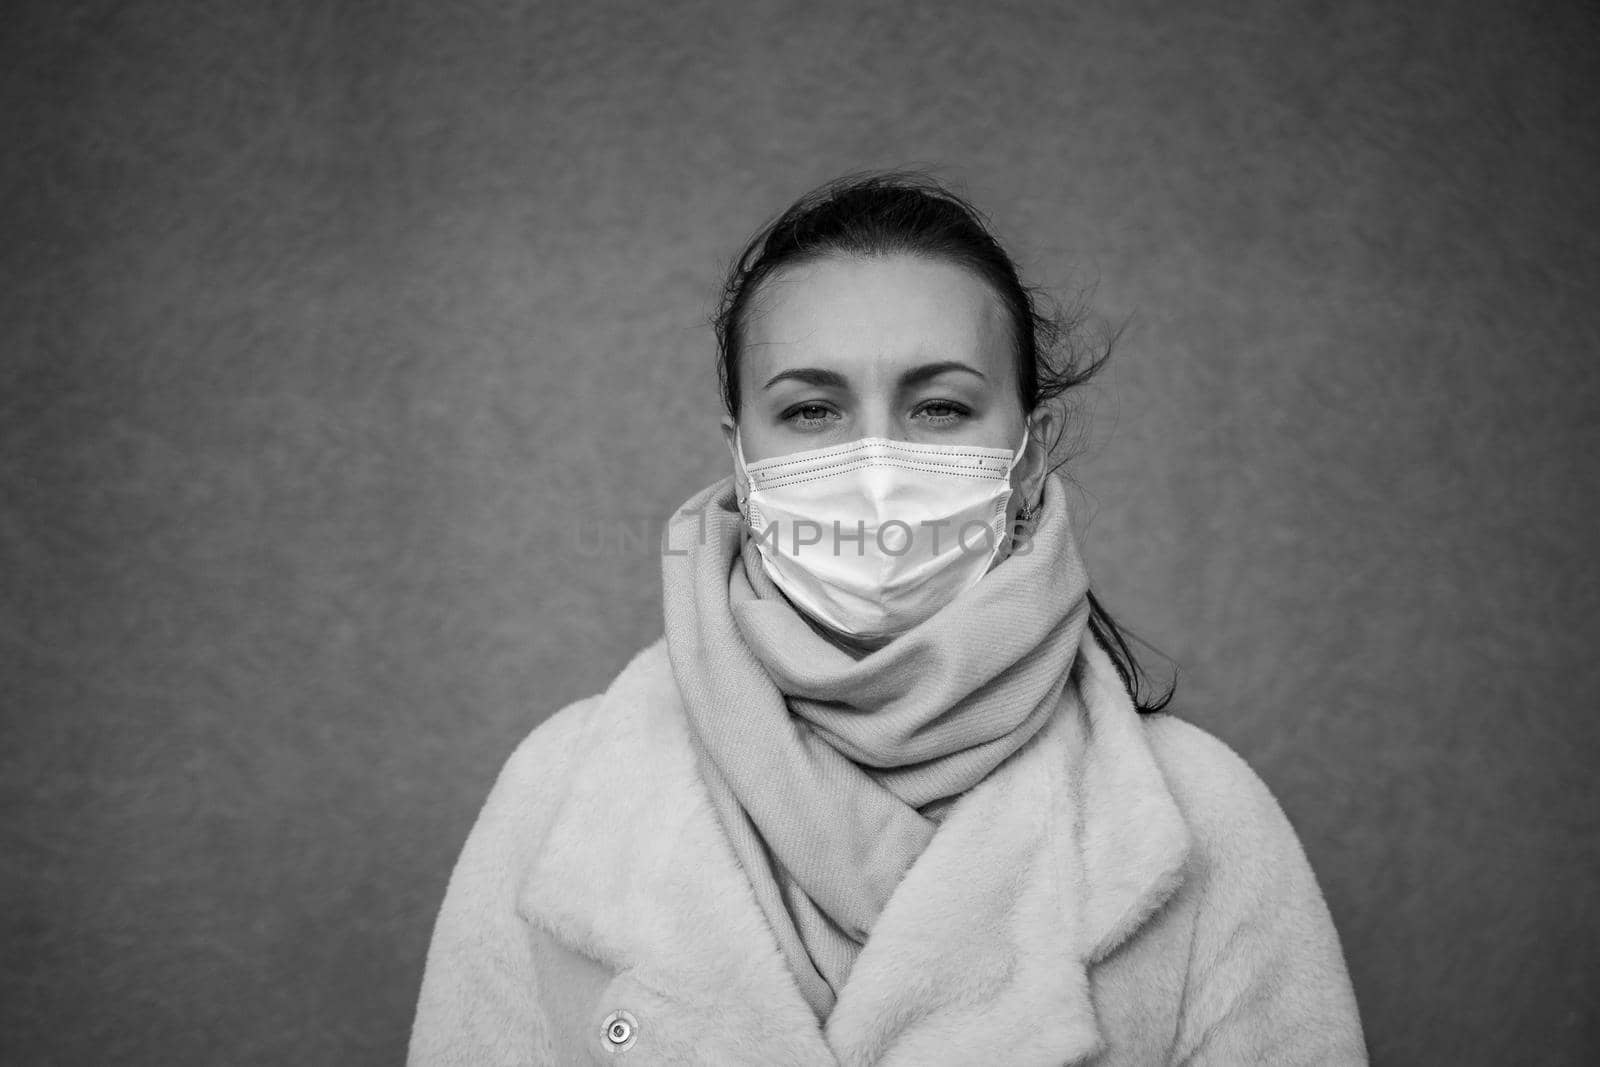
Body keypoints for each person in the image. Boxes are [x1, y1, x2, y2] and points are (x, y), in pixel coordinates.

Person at [408, 173, 1367, 1065]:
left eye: (941, 407)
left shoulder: (1204, 819)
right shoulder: (559, 790)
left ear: (1026, 463)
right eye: (814, 410)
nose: (875, 465)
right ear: (741, 459)